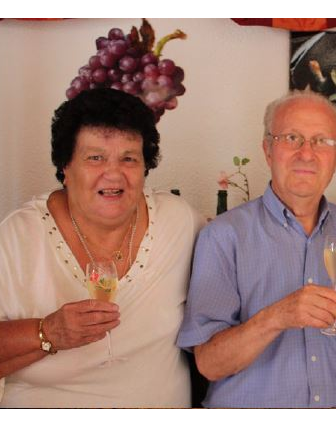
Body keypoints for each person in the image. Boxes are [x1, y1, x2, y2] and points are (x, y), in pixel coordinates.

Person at [0, 88, 205, 407]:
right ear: (66, 167)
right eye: (95, 158)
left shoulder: (179, 222)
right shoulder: (18, 236)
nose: (113, 174)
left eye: (129, 159)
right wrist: (47, 332)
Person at [177, 90, 336, 408]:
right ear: (267, 149)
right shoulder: (223, 236)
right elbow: (209, 364)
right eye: (292, 138)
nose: (306, 153)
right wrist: (278, 316)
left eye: (321, 141)